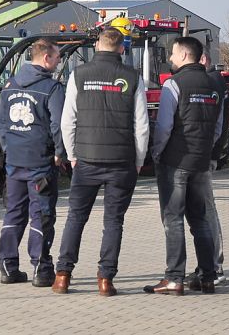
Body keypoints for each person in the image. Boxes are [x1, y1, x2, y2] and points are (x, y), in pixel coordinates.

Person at [52, 27, 148, 297]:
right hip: (121, 163)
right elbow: (141, 126)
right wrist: (139, 159)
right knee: (114, 222)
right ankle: (105, 280)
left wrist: (72, 155)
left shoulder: (78, 75)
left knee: (75, 218)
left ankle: (63, 275)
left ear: (97, 46)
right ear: (122, 49)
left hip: (86, 161)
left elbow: (67, 121)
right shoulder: (132, 77)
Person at [144, 36, 223, 296]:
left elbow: (164, 126)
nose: (170, 58)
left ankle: (174, 278)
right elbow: (218, 128)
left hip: (175, 162)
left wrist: (157, 153)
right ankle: (208, 276)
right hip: (200, 163)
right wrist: (205, 150)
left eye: (173, 54)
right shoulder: (214, 86)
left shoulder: (173, 85)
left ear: (185, 55)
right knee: (200, 220)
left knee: (173, 219)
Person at [0, 39, 66, 287]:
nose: (59, 62)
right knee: (42, 215)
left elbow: (1, 123)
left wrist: (9, 148)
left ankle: (7, 265)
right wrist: (59, 152)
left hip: (14, 162)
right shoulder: (52, 88)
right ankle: (41, 268)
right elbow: (58, 125)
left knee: (14, 212)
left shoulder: (9, 85)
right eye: (57, 58)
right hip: (40, 163)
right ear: (46, 58)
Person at [182, 52, 226, 288]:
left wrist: (208, 151)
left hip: (202, 156)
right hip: (204, 154)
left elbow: (216, 124)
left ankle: (213, 266)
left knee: (206, 209)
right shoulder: (213, 82)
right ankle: (209, 264)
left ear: (200, 60)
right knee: (203, 210)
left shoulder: (212, 82)